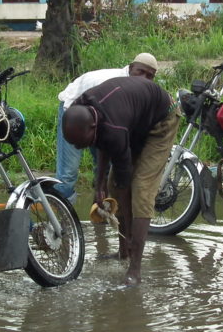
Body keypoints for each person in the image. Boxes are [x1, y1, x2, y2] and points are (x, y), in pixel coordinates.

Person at [62, 76, 179, 285]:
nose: (78, 148)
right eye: (74, 144)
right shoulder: (82, 109)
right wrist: (99, 186)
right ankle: (123, 252)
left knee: (141, 189)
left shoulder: (113, 129)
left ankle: (135, 268)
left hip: (162, 118)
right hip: (135, 121)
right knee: (111, 185)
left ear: (93, 127)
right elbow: (102, 143)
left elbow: (124, 182)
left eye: (81, 143)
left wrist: (131, 229)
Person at [54, 52, 159, 201]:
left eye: (149, 76)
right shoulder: (113, 83)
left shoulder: (138, 91)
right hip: (73, 111)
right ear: (130, 68)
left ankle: (98, 207)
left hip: (100, 120)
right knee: (68, 173)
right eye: (140, 71)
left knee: (104, 169)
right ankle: (58, 211)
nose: (143, 78)